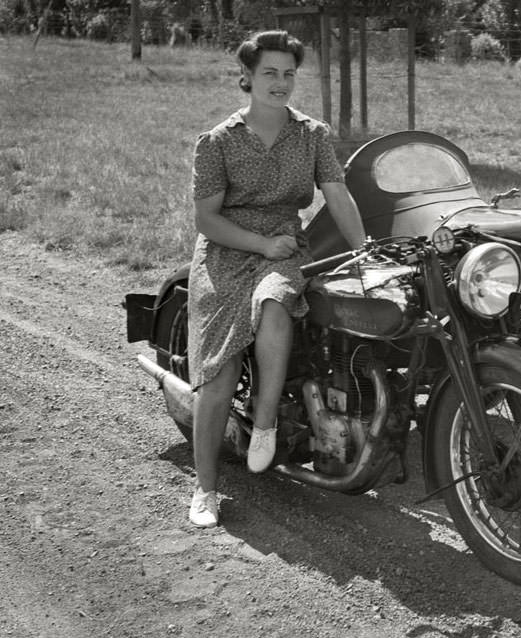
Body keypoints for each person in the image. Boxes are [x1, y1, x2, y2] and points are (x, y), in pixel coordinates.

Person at [186, 30, 367, 528]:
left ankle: (265, 425)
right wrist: (260, 243)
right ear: (246, 77)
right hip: (226, 252)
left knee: (275, 302)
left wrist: (364, 251)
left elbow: (338, 195)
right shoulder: (217, 142)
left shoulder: (311, 134)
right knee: (219, 369)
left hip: (285, 247)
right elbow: (207, 220)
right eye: (270, 72)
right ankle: (204, 490)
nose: (280, 82)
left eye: (288, 74)